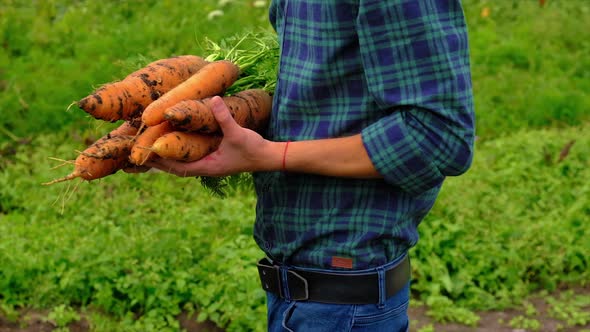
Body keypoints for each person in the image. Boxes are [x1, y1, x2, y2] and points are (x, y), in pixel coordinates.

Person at [147, 0, 475, 330]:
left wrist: (271, 155)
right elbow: (315, 88)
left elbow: (438, 138)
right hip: (299, 290)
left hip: (344, 299)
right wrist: (200, 118)